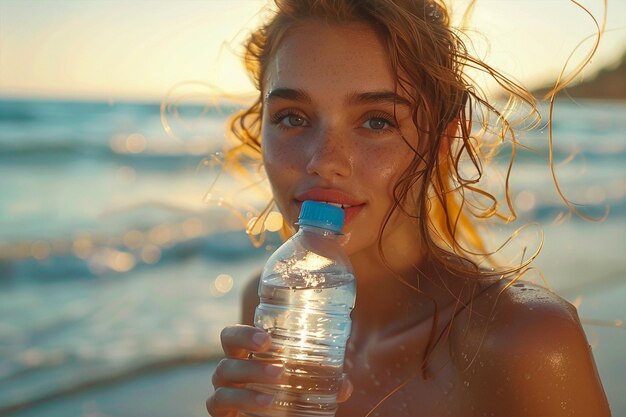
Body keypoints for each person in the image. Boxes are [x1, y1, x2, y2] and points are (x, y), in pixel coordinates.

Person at [205, 0, 611, 416]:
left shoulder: (523, 341)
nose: (323, 160)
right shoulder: (269, 306)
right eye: (292, 118)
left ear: (443, 140)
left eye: (377, 121)